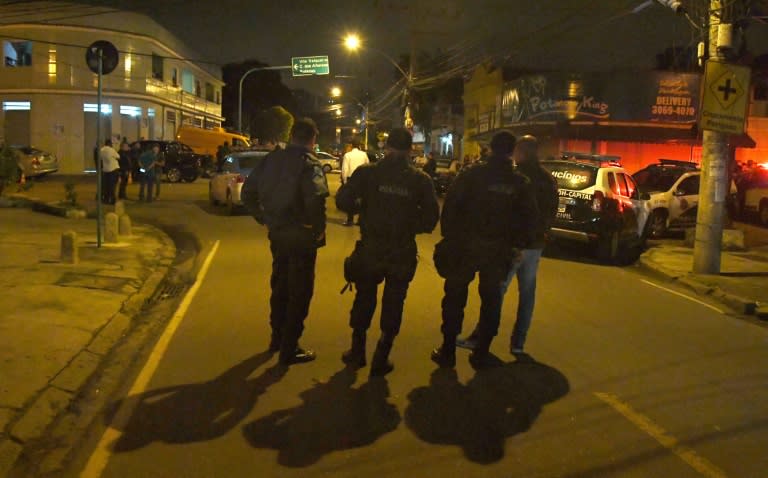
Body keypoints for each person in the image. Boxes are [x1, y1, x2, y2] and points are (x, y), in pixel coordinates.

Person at [336, 128, 440, 376]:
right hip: (401, 250)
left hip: (371, 248)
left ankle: (357, 351)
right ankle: (381, 355)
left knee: (364, 298)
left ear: (386, 147)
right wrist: (407, 224)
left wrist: (364, 206)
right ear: (410, 150)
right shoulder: (420, 180)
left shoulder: (368, 174)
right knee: (395, 302)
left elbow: (343, 201)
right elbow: (430, 221)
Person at [431, 131, 538, 369]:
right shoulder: (519, 183)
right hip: (498, 252)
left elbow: (450, 209)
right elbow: (528, 221)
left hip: (465, 247)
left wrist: (450, 240)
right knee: (491, 301)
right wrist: (516, 246)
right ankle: (481, 352)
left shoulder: (471, 175)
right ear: (511, 151)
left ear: (490, 148)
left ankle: (448, 349)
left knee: (455, 298)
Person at [457, 135, 558, 355]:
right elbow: (551, 211)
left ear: (521, 151)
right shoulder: (547, 179)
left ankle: (480, 338)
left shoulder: (518, 177)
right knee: (527, 294)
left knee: (496, 291)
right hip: (535, 245)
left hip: (514, 243)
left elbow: (515, 213)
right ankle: (518, 343)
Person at [241, 118, 329, 366]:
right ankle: (290, 348)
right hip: (302, 236)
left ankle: (277, 338)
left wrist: (264, 218)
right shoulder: (309, 163)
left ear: (291, 136)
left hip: (278, 234)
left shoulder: (271, 159)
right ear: (312, 140)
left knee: (280, 285)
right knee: (300, 291)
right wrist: (318, 229)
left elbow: (248, 193)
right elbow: (315, 199)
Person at [340, 139, 369, 226]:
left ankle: (350, 220)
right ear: (359, 145)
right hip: (362, 178)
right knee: (361, 199)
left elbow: (345, 169)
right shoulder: (364, 154)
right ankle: (360, 220)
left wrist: (345, 181)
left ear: (351, 145)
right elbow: (367, 165)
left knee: (351, 199)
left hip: (351, 178)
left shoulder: (347, 155)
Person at [99, 139, 120, 204]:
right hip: (113, 169)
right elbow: (118, 157)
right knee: (112, 186)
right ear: (110, 144)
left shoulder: (101, 150)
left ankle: (106, 199)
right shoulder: (111, 150)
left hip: (105, 169)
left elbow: (100, 158)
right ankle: (113, 200)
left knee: (106, 185)